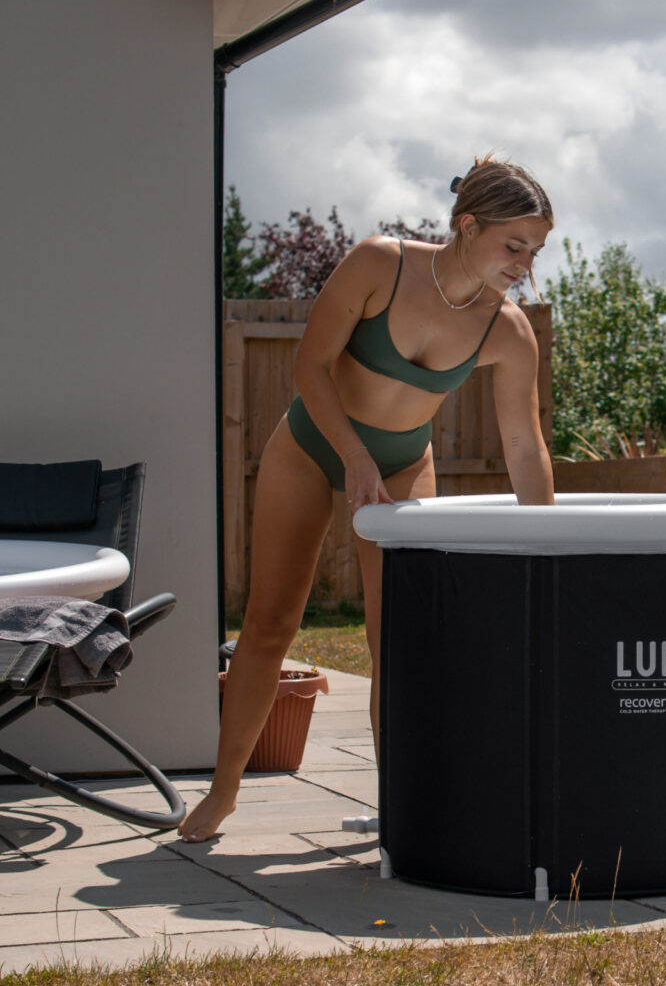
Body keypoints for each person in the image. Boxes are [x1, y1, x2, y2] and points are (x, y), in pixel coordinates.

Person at [178, 156, 555, 842]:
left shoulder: (508, 330)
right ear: (468, 225)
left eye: (536, 250)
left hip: (405, 465)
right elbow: (309, 366)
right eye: (514, 244)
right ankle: (222, 793)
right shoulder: (381, 264)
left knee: (400, 647)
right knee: (268, 625)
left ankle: (400, 811)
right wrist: (352, 456)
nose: (525, 264)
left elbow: (525, 450)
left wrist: (552, 552)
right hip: (312, 444)